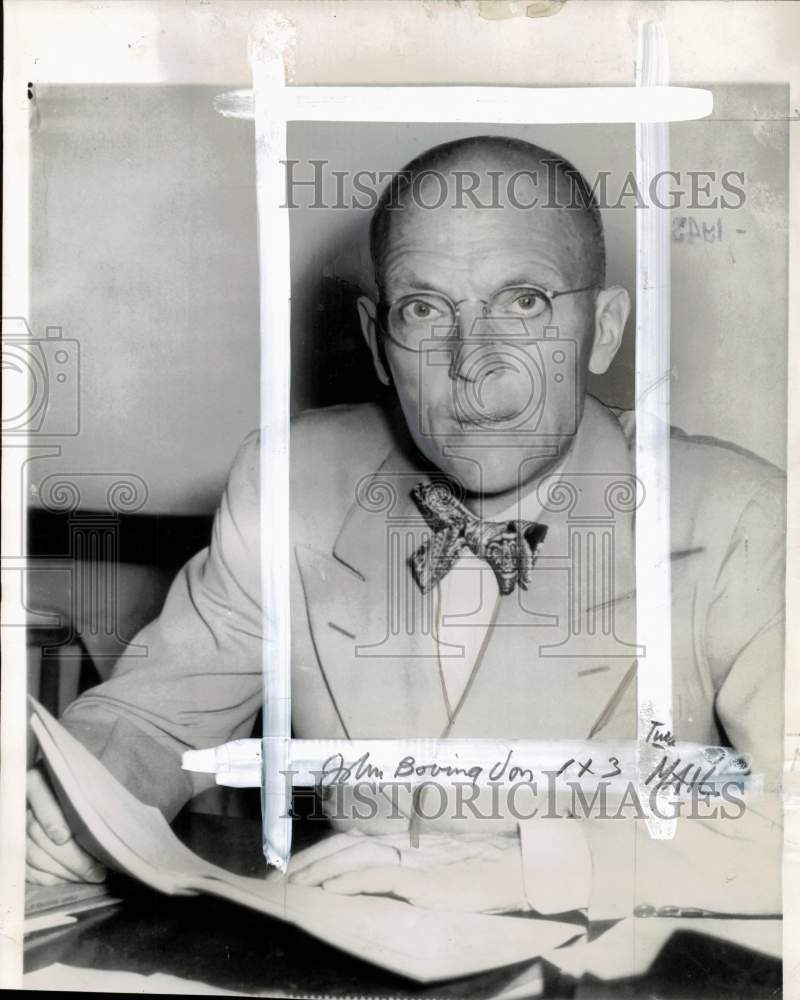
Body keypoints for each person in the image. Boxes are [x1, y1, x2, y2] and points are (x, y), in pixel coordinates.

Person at [26, 137, 785, 930]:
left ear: (603, 328)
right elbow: (154, 718)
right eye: (425, 311)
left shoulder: (738, 517)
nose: (473, 364)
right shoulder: (294, 481)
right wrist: (78, 805)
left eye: (522, 301)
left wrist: (528, 867)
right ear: (380, 342)